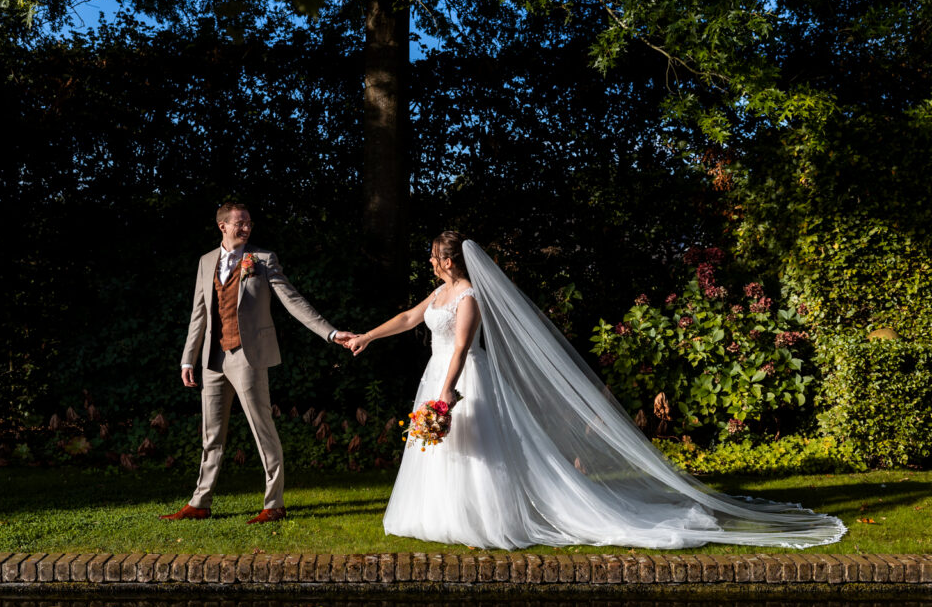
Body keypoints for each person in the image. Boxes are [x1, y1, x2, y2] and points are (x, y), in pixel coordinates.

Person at [346, 231, 847, 549]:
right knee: (445, 450)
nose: (430, 263)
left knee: (480, 450)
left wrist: (448, 392)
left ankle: (482, 520)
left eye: (434, 257)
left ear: (449, 261)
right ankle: (437, 515)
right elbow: (412, 318)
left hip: (461, 377)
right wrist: (368, 335)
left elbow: (459, 349)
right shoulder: (440, 293)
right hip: (436, 374)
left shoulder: (470, 297)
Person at [160, 203, 353, 524]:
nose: (247, 228)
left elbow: (292, 300)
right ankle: (200, 503)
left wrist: (331, 333)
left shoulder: (263, 260)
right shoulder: (206, 261)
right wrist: (187, 359)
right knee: (211, 435)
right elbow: (199, 313)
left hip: (247, 357)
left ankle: (274, 503)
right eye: (240, 223)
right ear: (222, 226)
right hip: (212, 359)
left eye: (249, 223)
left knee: (262, 429)